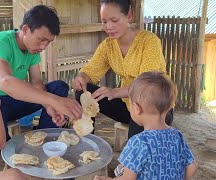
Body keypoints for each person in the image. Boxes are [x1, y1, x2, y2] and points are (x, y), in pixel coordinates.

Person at [0, 5, 82, 139]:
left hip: (15, 101)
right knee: (1, 138)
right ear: (26, 29)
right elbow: (5, 82)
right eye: (41, 39)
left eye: (48, 42)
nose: (43, 47)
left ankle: (43, 138)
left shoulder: (32, 49)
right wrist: (55, 101)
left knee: (59, 87)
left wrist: (50, 107)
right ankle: (9, 148)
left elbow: (37, 82)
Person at [72, 0, 173, 139]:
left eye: (114, 20)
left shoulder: (149, 41)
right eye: (104, 21)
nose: (109, 27)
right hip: (127, 106)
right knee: (83, 91)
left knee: (134, 148)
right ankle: (87, 141)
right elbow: (90, 71)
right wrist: (82, 77)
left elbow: (148, 88)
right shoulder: (108, 46)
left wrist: (114, 92)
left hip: (153, 109)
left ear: (129, 15)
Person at [94, 71, 197, 180]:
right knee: (121, 169)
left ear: (137, 108)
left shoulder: (138, 142)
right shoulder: (177, 135)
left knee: (120, 170)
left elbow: (128, 179)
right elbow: (192, 167)